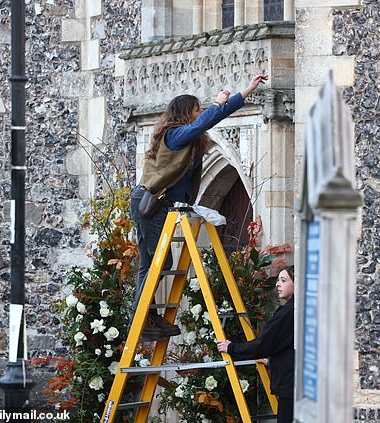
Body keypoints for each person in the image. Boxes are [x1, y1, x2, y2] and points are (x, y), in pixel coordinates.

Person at [129, 74, 269, 341]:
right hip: (151, 204)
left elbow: (211, 120)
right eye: (197, 109)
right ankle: (143, 316)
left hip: (160, 204)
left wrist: (246, 90)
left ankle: (146, 316)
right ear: (186, 114)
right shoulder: (175, 135)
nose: (201, 113)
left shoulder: (188, 138)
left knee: (149, 264)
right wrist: (217, 104)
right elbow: (206, 121)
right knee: (161, 261)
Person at [216, 265, 295, 422]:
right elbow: (292, 348)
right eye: (278, 280)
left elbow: (263, 343)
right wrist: (271, 361)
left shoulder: (290, 312)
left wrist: (231, 348)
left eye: (283, 280)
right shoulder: (303, 308)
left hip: (292, 388)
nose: (277, 284)